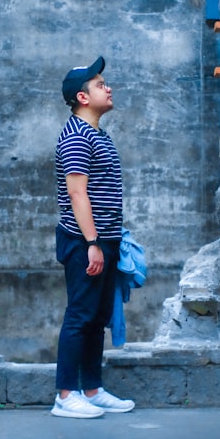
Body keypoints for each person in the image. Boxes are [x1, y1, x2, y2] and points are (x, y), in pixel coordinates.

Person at [51, 56, 135, 419]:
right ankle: (65, 395)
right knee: (80, 316)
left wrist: (110, 240)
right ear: (83, 98)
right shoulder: (75, 136)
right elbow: (77, 194)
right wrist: (91, 243)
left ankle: (92, 389)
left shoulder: (98, 133)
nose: (108, 87)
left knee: (98, 317)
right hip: (84, 242)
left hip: (106, 240)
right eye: (100, 84)